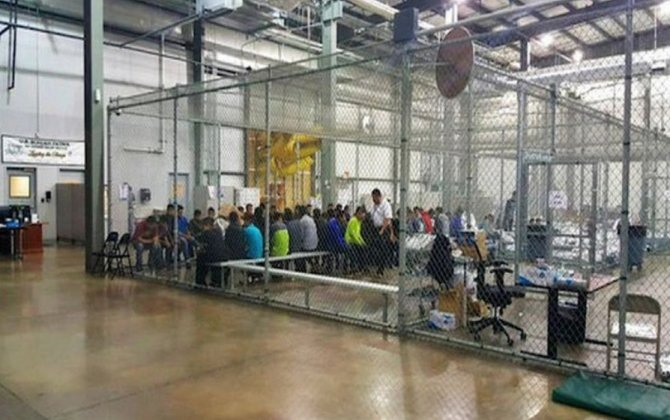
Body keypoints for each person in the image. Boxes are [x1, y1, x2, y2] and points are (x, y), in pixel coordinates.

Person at [195, 218, 227, 288]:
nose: (203, 227)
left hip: (213, 257)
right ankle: (216, 281)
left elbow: (200, 242)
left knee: (200, 259)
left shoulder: (206, 233)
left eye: (204, 225)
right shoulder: (219, 233)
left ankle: (200, 282)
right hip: (222, 256)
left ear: (207, 225)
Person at [371, 189, 396, 276]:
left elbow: (388, 218)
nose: (373, 200)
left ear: (378, 196)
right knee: (377, 249)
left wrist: (382, 230)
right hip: (376, 228)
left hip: (383, 229)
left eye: (374, 198)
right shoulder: (375, 205)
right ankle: (379, 267)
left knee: (383, 250)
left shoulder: (385, 205)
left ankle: (381, 269)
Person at [345, 206, 367, 272]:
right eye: (360, 214)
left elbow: (358, 234)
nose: (362, 217)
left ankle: (361, 267)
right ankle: (356, 268)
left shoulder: (359, 222)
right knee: (358, 251)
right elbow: (352, 233)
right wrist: (359, 242)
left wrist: (362, 242)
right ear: (357, 213)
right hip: (350, 241)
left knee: (363, 249)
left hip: (355, 241)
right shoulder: (353, 220)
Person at [299, 205, 318, 272]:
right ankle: (314, 264)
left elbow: (301, 235)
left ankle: (303, 270)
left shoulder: (302, 221)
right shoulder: (311, 219)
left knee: (299, 252)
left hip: (307, 246)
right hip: (315, 244)